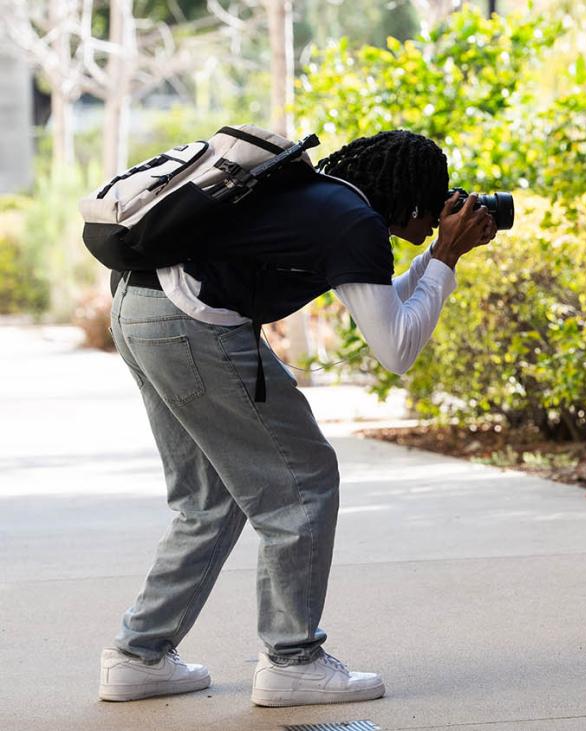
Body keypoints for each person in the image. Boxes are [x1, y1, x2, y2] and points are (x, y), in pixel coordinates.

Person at [98, 130, 497, 705]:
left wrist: (438, 261)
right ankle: (293, 659)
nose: (439, 219)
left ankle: (139, 655)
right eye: (434, 205)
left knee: (208, 500)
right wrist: (446, 259)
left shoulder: (327, 203)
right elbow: (398, 350)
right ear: (408, 199)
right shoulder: (354, 222)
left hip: (141, 310)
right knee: (302, 484)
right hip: (192, 323)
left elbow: (381, 315)